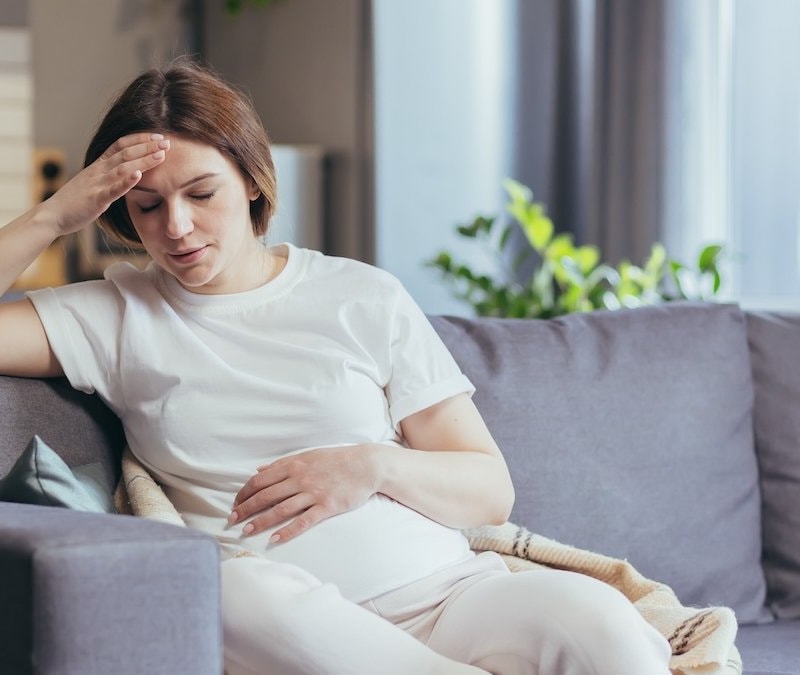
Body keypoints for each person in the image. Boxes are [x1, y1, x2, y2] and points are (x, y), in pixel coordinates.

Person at [0, 60, 671, 675]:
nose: (177, 226)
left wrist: (370, 465)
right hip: (279, 617)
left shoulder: (360, 294)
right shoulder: (113, 314)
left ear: (251, 180)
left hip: (448, 590)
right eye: (149, 206)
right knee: (229, 591)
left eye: (201, 193)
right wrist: (55, 215)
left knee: (604, 627)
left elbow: (490, 488)